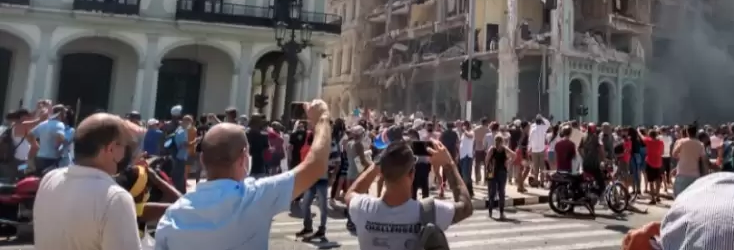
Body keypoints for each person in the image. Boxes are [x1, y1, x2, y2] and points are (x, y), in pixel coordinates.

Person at [154, 100, 335, 249]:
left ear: (202, 160)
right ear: (243, 158)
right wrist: (323, 118)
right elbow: (316, 165)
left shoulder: (172, 216)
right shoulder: (255, 196)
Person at [34, 113, 141, 250]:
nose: (128, 152)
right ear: (111, 149)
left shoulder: (49, 179)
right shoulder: (115, 198)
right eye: (126, 145)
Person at [345, 139, 473, 249]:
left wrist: (376, 165)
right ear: (412, 174)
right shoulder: (429, 211)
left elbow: (350, 194)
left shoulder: (363, 208)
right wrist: (448, 163)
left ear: (382, 175)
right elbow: (466, 207)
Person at [486, 134, 515, 219]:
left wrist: (487, 170)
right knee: (501, 192)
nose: (498, 143)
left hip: (494, 172)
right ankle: (500, 213)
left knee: (493, 192)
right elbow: (514, 155)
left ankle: (491, 211)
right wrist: (508, 162)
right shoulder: (503, 149)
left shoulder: (492, 149)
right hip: (501, 172)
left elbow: (487, 160)